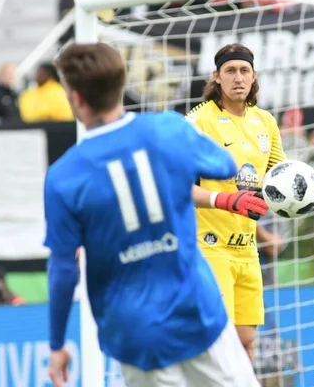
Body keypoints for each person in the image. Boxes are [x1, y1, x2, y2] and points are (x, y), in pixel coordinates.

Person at [45, 42, 259, 387]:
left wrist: (57, 344)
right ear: (121, 84)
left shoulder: (63, 176)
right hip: (198, 312)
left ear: (76, 98)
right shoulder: (168, 129)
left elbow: (63, 269)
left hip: (134, 332)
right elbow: (224, 164)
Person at [187, 43, 287, 362]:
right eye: (230, 70)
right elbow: (176, 187)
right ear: (216, 77)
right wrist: (226, 200)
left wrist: (284, 197)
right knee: (220, 343)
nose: (238, 77)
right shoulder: (198, 122)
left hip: (248, 249)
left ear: (254, 75)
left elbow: (280, 179)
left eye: (244, 70)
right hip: (209, 247)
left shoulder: (266, 122)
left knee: (247, 341)